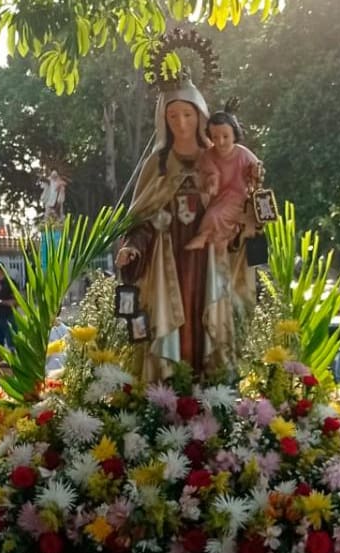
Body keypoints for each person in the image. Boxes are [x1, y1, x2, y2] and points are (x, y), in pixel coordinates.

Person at [115, 79, 256, 380]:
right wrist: (132, 246)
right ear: (163, 120)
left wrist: (246, 223)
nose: (181, 122)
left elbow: (244, 199)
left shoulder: (220, 155)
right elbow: (141, 214)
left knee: (210, 316)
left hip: (210, 257)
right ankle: (172, 380)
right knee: (173, 321)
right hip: (168, 258)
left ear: (201, 115)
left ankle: (211, 380)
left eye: (188, 114)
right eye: (173, 115)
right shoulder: (158, 162)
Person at [186, 109, 262, 254]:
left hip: (241, 199)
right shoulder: (208, 155)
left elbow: (258, 169)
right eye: (215, 137)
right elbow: (207, 173)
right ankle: (209, 242)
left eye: (225, 136)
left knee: (216, 215)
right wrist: (210, 183)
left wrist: (255, 172)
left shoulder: (243, 154)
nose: (220, 142)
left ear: (234, 134)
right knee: (212, 212)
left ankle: (205, 236)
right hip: (218, 198)